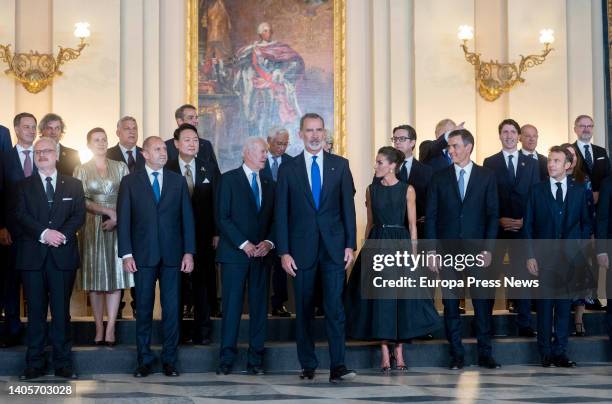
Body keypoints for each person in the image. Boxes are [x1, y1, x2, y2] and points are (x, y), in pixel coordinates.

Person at [275, 112, 357, 384]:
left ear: (324, 133)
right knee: (305, 310)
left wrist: (350, 245)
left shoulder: (340, 165)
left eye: (319, 130)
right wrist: (284, 251)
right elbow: (281, 213)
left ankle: (338, 365)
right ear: (300, 134)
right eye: (309, 130)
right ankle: (308, 364)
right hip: (300, 252)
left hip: (334, 250)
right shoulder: (288, 169)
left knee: (335, 309)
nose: (314, 135)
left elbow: (348, 209)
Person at [346, 146, 439, 372]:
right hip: (377, 244)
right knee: (381, 300)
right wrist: (365, 251)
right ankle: (385, 354)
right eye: (376, 162)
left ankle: (400, 352)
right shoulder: (371, 190)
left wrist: (414, 254)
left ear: (392, 166)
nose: (376, 166)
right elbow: (369, 223)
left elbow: (412, 225)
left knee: (400, 298)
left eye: (379, 162)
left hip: (400, 244)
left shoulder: (408, 190)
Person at [117, 136, 196, 378]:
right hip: (142, 256)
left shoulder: (177, 181)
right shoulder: (130, 182)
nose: (163, 152)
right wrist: (126, 254)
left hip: (173, 255)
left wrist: (189, 252)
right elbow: (125, 220)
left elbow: (187, 219)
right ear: (145, 154)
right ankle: (144, 359)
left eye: (165, 148)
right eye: (158, 149)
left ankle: (169, 360)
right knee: (143, 308)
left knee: (172, 309)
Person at [425, 128, 500, 370]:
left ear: (468, 147)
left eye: (455, 145)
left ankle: (485, 354)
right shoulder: (439, 177)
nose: (451, 150)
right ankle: (456, 355)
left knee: (481, 304)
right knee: (450, 305)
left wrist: (488, 249)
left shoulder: (487, 176)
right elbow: (432, 217)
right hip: (447, 253)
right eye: (449, 146)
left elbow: (492, 215)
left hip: (478, 251)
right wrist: (432, 251)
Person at [16, 137, 85, 380]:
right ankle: (34, 364)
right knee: (35, 313)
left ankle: (63, 364)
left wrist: (61, 236)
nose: (42, 155)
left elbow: (78, 216)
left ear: (56, 154)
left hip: (62, 257)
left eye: (46, 151)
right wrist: (45, 234)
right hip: (32, 258)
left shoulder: (74, 185)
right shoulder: (23, 185)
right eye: (37, 152)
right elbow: (21, 216)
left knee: (61, 313)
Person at [524, 146, 591, 368]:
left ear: (568, 165)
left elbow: (585, 223)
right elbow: (529, 226)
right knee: (544, 308)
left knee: (563, 308)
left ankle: (560, 352)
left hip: (569, 259)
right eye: (550, 160)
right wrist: (530, 256)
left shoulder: (580, 190)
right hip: (543, 259)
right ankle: (545, 352)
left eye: (556, 160)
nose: (550, 164)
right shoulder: (536, 190)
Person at [216, 137, 275, 375]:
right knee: (231, 308)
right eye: (262, 151)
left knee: (260, 309)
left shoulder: (270, 183)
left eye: (266, 152)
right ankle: (226, 360)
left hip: (262, 256)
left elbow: (276, 218)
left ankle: (256, 360)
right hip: (234, 255)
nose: (265, 156)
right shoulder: (229, 179)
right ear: (247, 152)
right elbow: (222, 216)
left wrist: (270, 243)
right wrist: (244, 244)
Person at [73, 128, 133, 346]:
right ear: (88, 144)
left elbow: (129, 195)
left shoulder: (120, 166)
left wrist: (117, 217)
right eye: (96, 140)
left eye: (104, 139)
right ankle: (98, 327)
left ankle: (111, 329)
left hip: (119, 225)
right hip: (92, 226)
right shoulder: (81, 169)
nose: (101, 143)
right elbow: (80, 200)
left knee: (115, 279)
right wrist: (107, 211)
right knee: (96, 281)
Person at [483, 119, 539, 337]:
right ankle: (485, 322)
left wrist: (526, 220)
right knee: (490, 275)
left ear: (519, 136)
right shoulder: (490, 162)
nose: (509, 135)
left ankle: (524, 323)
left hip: (523, 229)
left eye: (513, 132)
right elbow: (488, 197)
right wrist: (498, 219)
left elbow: (536, 195)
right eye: (505, 132)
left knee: (521, 275)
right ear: (499, 136)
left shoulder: (532, 163)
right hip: (497, 229)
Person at [166, 123, 221, 345]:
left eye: (196, 140)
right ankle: (178, 332)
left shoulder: (208, 168)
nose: (192, 143)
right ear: (177, 144)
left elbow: (217, 202)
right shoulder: (167, 168)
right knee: (176, 285)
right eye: (187, 139)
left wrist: (217, 232)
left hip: (204, 235)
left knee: (203, 284)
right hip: (173, 236)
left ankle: (202, 331)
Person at [0, 112, 39, 348]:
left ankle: (37, 331)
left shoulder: (44, 155)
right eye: (26, 127)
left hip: (38, 233)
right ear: (16, 129)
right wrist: (1, 226)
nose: (31, 131)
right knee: (10, 282)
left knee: (36, 283)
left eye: (34, 127)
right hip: (11, 232)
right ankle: (12, 329)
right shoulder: (4, 158)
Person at [233, 22, 305, 137]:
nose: (268, 33)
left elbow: (292, 60)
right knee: (254, 111)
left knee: (271, 110)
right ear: (260, 33)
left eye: (270, 31)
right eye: (265, 31)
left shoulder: (278, 47)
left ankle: (269, 135)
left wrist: (280, 72)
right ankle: (255, 136)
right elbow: (242, 63)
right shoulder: (253, 49)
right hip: (257, 84)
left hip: (272, 83)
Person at [107, 116, 145, 318]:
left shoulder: (145, 154)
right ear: (118, 132)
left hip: (142, 222)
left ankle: (140, 305)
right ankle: (117, 310)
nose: (132, 132)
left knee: (140, 266)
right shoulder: (108, 155)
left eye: (135, 128)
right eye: (127, 128)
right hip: (115, 221)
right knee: (120, 263)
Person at [561, 143, 596, 336]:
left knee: (581, 279)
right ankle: (559, 321)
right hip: (557, 240)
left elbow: (589, 212)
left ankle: (578, 320)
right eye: (566, 154)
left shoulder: (584, 180)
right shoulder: (551, 178)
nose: (570, 157)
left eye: (572, 154)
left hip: (579, 237)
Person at [261, 127, 292, 317]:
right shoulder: (259, 160)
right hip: (262, 221)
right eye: (278, 143)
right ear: (269, 141)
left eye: (285, 144)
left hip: (285, 222)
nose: (282, 147)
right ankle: (261, 303)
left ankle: (279, 303)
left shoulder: (292, 163)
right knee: (262, 265)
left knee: (281, 264)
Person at [165, 104, 219, 169]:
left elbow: (215, 172)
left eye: (196, 118)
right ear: (180, 121)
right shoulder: (166, 146)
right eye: (190, 118)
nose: (196, 121)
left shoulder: (206, 145)